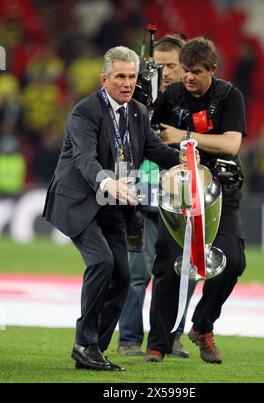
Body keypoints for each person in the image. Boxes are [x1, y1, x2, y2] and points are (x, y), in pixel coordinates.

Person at [43, 46, 181, 372]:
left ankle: (94, 349)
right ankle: (85, 343)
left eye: (132, 77)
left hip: (115, 207)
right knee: (102, 262)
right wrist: (108, 183)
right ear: (104, 78)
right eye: (120, 76)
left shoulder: (136, 112)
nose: (127, 83)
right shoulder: (85, 112)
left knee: (122, 275)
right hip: (81, 201)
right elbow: (84, 159)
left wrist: (184, 158)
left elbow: (155, 150)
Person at [145, 37, 247, 363]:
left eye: (196, 72)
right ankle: (158, 346)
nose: (188, 77)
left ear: (212, 70)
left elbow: (231, 145)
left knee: (233, 261)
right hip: (178, 194)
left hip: (222, 192)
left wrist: (184, 137)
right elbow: (152, 135)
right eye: (185, 71)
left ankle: (202, 326)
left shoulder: (230, 96)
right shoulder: (169, 97)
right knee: (167, 265)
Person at [118, 35, 196, 358]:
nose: (164, 72)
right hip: (139, 195)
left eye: (171, 66)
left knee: (183, 273)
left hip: (178, 198)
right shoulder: (133, 101)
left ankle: (171, 337)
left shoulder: (193, 104)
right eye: (158, 66)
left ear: (184, 68)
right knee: (137, 272)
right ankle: (129, 341)